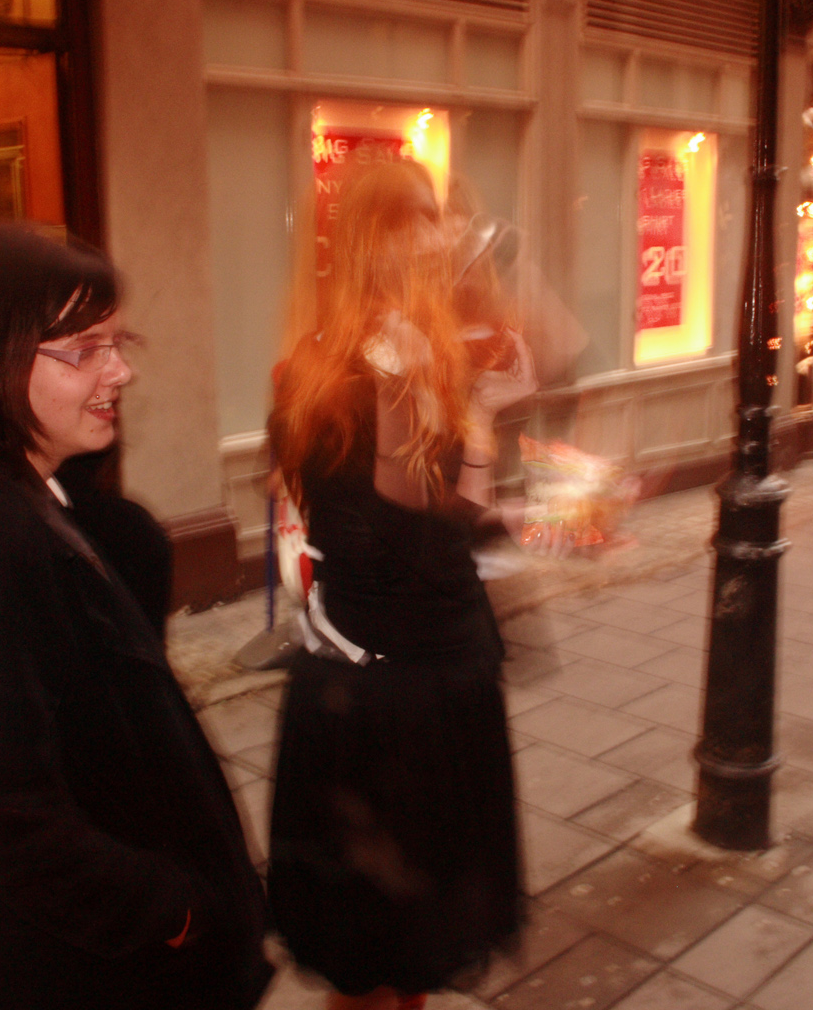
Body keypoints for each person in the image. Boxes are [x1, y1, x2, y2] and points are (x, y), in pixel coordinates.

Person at [0, 224, 273, 1010]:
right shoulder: (0, 539)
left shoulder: (8, 488)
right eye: (84, 350)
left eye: (118, 341)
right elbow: (14, 818)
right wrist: (171, 911)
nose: (122, 370)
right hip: (90, 964)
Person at [266, 160, 530, 1010]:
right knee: (382, 957)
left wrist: (482, 423)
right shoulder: (352, 370)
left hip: (414, 682)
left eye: (438, 216)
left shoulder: (393, 356)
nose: (438, 233)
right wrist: (429, 411)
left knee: (393, 961)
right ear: (374, 242)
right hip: (391, 703)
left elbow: (450, 522)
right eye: (417, 218)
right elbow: (401, 543)